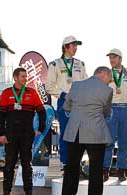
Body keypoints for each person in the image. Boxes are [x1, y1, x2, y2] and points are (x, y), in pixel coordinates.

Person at [61, 67, 113, 195]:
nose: (108, 83)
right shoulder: (107, 91)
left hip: (75, 132)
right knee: (96, 170)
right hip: (95, 133)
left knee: (71, 169)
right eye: (109, 79)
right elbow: (106, 112)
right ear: (103, 74)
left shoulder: (76, 85)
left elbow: (67, 106)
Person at [0, 68, 46, 195]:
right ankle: (6, 194)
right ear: (15, 77)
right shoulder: (6, 93)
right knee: (9, 166)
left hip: (26, 135)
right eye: (23, 76)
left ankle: (29, 194)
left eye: (26, 76)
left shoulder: (32, 92)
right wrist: (1, 134)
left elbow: (42, 112)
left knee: (27, 165)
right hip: (11, 135)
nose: (26, 78)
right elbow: (0, 116)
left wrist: (40, 129)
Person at [46, 36, 87, 172]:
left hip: (79, 102)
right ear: (65, 47)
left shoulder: (80, 64)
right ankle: (65, 164)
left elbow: (85, 82)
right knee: (65, 133)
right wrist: (63, 94)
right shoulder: (55, 64)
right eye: (73, 45)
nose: (76, 48)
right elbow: (49, 86)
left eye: (76, 46)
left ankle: (77, 163)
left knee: (80, 134)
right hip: (64, 101)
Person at [102, 49, 127, 181]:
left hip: (126, 109)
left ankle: (121, 170)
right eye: (110, 58)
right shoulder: (106, 74)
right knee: (108, 142)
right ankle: (105, 170)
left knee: (124, 143)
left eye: (114, 57)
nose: (112, 60)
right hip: (111, 109)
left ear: (120, 59)